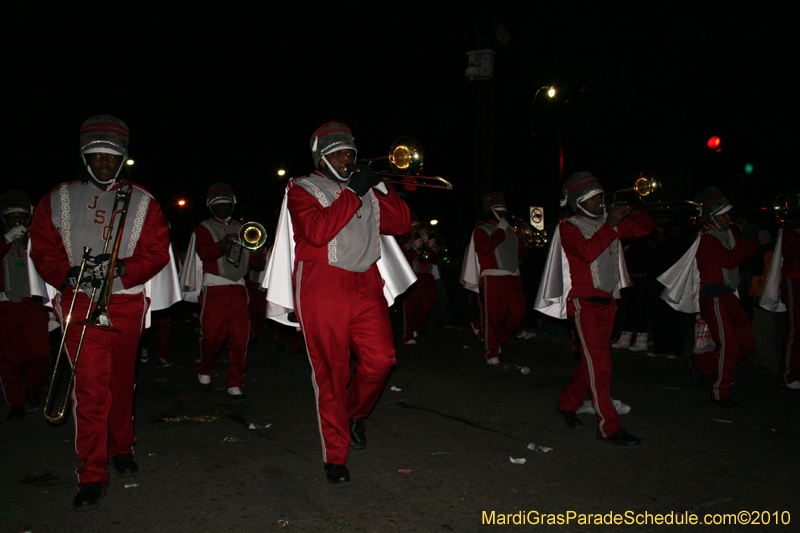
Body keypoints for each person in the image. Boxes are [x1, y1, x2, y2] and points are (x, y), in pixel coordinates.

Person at [28, 115, 178, 511]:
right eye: (97, 156)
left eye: (113, 158)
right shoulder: (57, 198)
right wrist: (67, 274)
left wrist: (122, 267)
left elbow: (157, 250)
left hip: (125, 302)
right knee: (90, 389)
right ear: (85, 155)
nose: (105, 164)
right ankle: (92, 472)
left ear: (123, 158)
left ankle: (122, 446)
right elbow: (41, 248)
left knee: (122, 380)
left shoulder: (144, 200)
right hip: (78, 303)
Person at [263, 122, 414, 485]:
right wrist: (353, 193)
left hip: (366, 282)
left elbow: (402, 224)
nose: (348, 159)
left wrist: (381, 185)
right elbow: (315, 232)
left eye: (350, 152)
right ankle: (335, 456)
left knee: (381, 361)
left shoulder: (366, 188)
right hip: (321, 285)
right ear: (322, 156)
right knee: (331, 373)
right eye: (339, 153)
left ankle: (353, 414)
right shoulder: (301, 187)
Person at [534, 172, 654, 445]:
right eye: (595, 198)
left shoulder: (607, 224)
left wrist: (632, 208)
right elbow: (587, 253)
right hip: (584, 303)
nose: (601, 201)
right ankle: (609, 427)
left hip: (608, 302)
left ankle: (567, 403)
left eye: (602, 196)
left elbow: (645, 227)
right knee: (600, 364)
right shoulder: (569, 226)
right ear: (579, 202)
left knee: (592, 361)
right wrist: (611, 225)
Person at [659, 187, 758, 407]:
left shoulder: (728, 233)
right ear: (712, 216)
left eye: (729, 214)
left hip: (729, 293)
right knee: (729, 344)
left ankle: (702, 365)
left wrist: (742, 237)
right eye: (724, 215)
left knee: (746, 342)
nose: (729, 219)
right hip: (713, 295)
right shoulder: (707, 237)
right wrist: (744, 239)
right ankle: (719, 393)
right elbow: (730, 260)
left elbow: (749, 252)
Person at [180, 183, 257, 400]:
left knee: (240, 340)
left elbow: (256, 264)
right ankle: (204, 369)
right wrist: (224, 242)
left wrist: (258, 251)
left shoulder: (244, 227)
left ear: (232, 204)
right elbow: (205, 253)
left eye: (226, 204)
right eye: (218, 204)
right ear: (210, 206)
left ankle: (235, 382)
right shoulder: (203, 228)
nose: (223, 208)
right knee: (212, 339)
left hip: (239, 290)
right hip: (215, 290)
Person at [461, 192, 529, 366]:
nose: (502, 213)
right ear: (490, 211)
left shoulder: (509, 229)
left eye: (503, 210)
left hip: (513, 278)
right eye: (498, 210)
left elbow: (523, 251)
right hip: (493, 277)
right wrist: (500, 230)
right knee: (493, 316)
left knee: (518, 312)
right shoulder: (481, 229)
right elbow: (483, 248)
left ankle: (495, 340)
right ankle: (490, 351)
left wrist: (523, 236)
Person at [0, 190, 50, 421]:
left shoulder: (36, 236)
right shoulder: (3, 238)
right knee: (9, 358)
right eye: (12, 217)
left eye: (21, 216)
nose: (17, 221)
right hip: (6, 305)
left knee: (40, 354)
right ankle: (16, 401)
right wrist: (6, 241)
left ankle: (32, 386)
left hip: (33, 304)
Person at [760, 188, 800, 389]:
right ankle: (791, 375)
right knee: (797, 328)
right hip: (795, 278)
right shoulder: (792, 224)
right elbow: (791, 254)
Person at [397, 212, 439, 345]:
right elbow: (401, 260)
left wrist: (430, 247)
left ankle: (417, 327)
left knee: (430, 304)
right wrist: (414, 247)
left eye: (417, 226)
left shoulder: (423, 238)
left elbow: (434, 259)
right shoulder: (403, 241)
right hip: (413, 276)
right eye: (413, 226)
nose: (415, 229)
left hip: (427, 275)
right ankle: (408, 335)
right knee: (410, 308)